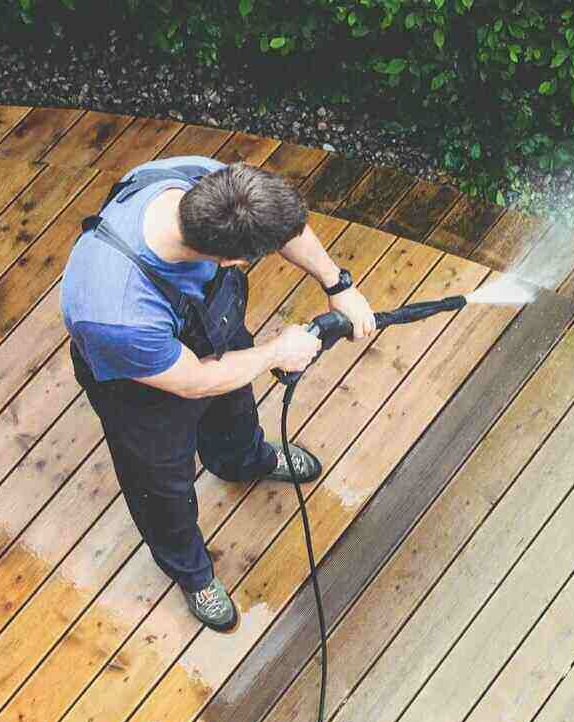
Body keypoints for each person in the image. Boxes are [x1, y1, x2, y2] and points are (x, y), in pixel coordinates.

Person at [61, 156, 375, 632]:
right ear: (231, 261)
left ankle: (243, 461)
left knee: (235, 412)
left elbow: (283, 227)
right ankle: (193, 574)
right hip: (141, 388)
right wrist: (277, 352)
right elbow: (195, 381)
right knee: (161, 487)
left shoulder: (208, 185)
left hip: (210, 333)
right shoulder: (115, 310)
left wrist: (338, 284)